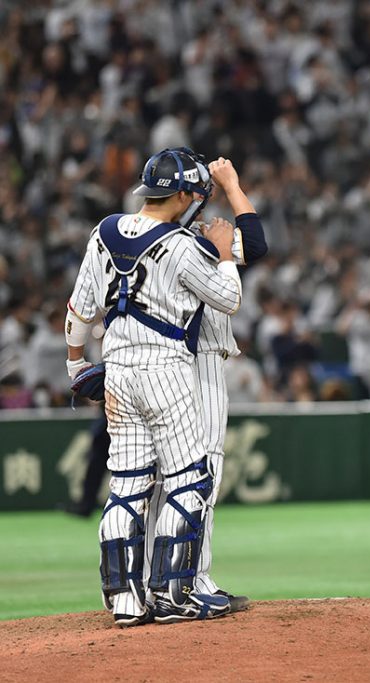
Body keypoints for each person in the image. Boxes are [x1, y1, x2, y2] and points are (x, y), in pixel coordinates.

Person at [66, 148, 243, 626]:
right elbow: (228, 299)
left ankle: (125, 599)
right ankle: (173, 593)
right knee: (189, 479)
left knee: (127, 484)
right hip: (165, 366)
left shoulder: (103, 232)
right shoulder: (181, 245)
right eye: (195, 193)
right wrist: (225, 257)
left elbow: (80, 311)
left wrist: (76, 365)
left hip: (117, 369)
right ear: (183, 193)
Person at [190, 153, 268, 609]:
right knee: (200, 473)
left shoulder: (153, 237)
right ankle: (193, 580)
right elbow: (254, 246)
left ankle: (151, 581)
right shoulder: (195, 240)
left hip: (161, 366)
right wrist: (233, 186)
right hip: (197, 363)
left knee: (163, 478)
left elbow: (255, 246)